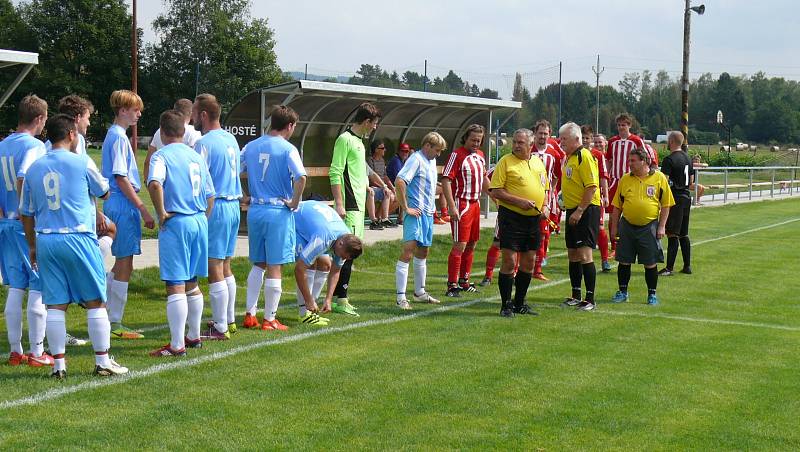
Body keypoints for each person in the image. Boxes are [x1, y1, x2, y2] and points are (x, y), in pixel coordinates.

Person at [20, 114, 128, 378]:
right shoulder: (82, 161)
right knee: (95, 301)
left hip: (46, 238)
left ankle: (58, 365)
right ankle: (102, 361)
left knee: (55, 304)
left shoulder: (34, 167)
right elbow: (104, 191)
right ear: (71, 134)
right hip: (78, 236)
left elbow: (26, 212)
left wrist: (32, 246)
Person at [147, 110, 215, 356]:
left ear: (163, 133)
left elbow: (155, 183)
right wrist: (203, 219)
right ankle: (194, 336)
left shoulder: (161, 156)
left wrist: (161, 212)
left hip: (177, 222)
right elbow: (211, 195)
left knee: (175, 284)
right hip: (198, 221)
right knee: (192, 282)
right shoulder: (196, 156)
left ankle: (177, 345)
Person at [240, 105, 307, 330]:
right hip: (278, 211)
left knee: (258, 263)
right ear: (289, 125)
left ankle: (250, 313)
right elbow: (301, 178)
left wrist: (244, 195)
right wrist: (295, 202)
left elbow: (234, 170)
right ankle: (270, 318)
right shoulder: (288, 149)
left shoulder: (251, 146)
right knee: (274, 265)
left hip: (256, 210)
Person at [0, 95, 53, 367]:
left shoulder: (3, 145)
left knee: (15, 286)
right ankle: (37, 351)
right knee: (37, 284)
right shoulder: (34, 146)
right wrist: (26, 212)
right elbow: (23, 176)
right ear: (40, 119)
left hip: (5, 224)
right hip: (23, 224)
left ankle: (15, 350)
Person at [101, 89, 154, 340]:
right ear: (122, 110)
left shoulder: (114, 135)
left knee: (122, 260)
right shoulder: (119, 137)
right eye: (135, 110)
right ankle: (114, 321)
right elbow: (121, 177)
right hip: (122, 203)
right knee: (125, 262)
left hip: (116, 203)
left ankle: (106, 313)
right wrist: (142, 208)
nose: (139, 114)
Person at [191, 94, 242, 339]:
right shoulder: (231, 138)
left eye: (194, 112)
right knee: (226, 264)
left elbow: (198, 177)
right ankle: (229, 319)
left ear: (203, 115)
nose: (192, 117)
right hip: (234, 205)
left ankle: (220, 326)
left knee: (214, 265)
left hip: (219, 205)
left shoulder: (204, 142)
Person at [489, 129, 549, 317]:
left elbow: (545, 188)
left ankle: (519, 303)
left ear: (530, 144)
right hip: (511, 218)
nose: (515, 145)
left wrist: (545, 206)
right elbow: (496, 191)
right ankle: (505, 305)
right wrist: (519, 202)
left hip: (533, 220)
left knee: (529, 261)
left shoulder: (538, 162)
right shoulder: (505, 162)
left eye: (520, 142)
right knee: (509, 260)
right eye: (514, 142)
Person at [329, 102, 381, 316]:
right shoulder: (345, 139)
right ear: (367, 121)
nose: (375, 128)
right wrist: (340, 203)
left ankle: (341, 298)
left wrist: (371, 187)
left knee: (351, 254)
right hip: (350, 206)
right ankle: (336, 299)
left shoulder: (359, 142)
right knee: (344, 253)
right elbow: (335, 172)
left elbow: (357, 173)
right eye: (374, 123)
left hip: (359, 207)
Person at [610, 147, 674, 305]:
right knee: (624, 261)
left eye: (633, 161)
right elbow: (617, 206)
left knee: (650, 262)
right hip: (627, 225)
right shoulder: (625, 179)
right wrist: (614, 226)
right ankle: (623, 292)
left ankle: (652, 294)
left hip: (649, 226)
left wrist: (661, 226)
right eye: (629, 160)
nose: (629, 164)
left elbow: (666, 204)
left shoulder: (659, 178)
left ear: (644, 161)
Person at [393, 132, 446, 309]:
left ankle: (419, 292)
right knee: (408, 251)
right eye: (437, 150)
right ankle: (401, 297)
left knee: (423, 252)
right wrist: (405, 207)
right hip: (415, 214)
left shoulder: (431, 161)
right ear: (427, 146)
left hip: (428, 214)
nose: (438, 154)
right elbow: (400, 181)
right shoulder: (416, 159)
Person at [294, 200, 363, 320]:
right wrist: (308, 300)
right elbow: (299, 269)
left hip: (314, 220)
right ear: (340, 244)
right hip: (295, 221)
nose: (341, 258)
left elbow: (336, 270)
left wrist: (328, 299)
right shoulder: (324, 238)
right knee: (309, 265)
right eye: (343, 256)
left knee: (326, 265)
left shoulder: (345, 238)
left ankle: (312, 310)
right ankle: (304, 313)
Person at [442, 124, 489, 297]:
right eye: (473, 139)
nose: (476, 143)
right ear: (466, 138)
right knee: (460, 244)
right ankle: (451, 284)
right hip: (462, 203)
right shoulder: (457, 155)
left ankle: (464, 281)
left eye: (479, 140)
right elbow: (446, 180)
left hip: (475, 204)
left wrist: (494, 197)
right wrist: (451, 206)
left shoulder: (481, 156)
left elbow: (483, 179)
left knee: (472, 243)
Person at [560, 122, 601, 311]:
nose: (561, 143)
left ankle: (590, 299)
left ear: (576, 139)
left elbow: (591, 187)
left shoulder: (584, 156)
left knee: (585, 253)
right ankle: (576, 294)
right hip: (573, 209)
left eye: (564, 139)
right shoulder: (569, 158)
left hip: (586, 210)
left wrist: (579, 210)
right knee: (573, 253)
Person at [605, 114, 645, 255]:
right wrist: (607, 176)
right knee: (612, 215)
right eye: (619, 125)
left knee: (629, 214)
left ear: (629, 125)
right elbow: (608, 160)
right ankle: (614, 247)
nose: (621, 127)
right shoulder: (612, 142)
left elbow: (644, 158)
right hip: (615, 181)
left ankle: (630, 244)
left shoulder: (636, 140)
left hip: (630, 181)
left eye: (624, 125)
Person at [529, 120, 563, 281]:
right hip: (527, 199)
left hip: (545, 200)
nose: (542, 136)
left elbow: (556, 176)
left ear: (550, 135)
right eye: (540, 133)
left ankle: (538, 269)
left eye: (546, 133)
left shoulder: (554, 154)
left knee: (543, 234)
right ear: (535, 133)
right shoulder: (528, 150)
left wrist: (550, 195)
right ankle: (521, 268)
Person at [659, 131, 694, 276]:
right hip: (686, 196)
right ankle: (687, 266)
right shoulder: (688, 158)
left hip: (675, 198)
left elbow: (664, 182)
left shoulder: (669, 159)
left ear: (672, 141)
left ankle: (669, 268)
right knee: (684, 234)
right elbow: (691, 182)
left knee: (672, 233)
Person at [143, 98, 202, 181]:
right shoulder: (194, 132)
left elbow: (147, 161)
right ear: (191, 114)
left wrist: (147, 182)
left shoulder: (160, 130)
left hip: (160, 179)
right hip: (182, 182)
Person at [581, 126, 611, 272]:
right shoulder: (574, 154)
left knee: (599, 228)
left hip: (595, 197)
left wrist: (605, 195)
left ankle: (605, 259)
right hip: (578, 196)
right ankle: (583, 258)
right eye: (583, 137)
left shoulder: (598, 155)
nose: (585, 140)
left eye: (587, 138)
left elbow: (603, 176)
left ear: (591, 139)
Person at [366, 139, 397, 228]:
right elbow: (372, 178)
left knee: (394, 195)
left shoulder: (382, 161)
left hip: (381, 187)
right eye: (382, 148)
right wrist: (384, 187)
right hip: (372, 187)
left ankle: (384, 219)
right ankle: (376, 218)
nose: (385, 150)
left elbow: (385, 176)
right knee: (388, 194)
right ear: (376, 150)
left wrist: (392, 187)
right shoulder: (370, 160)